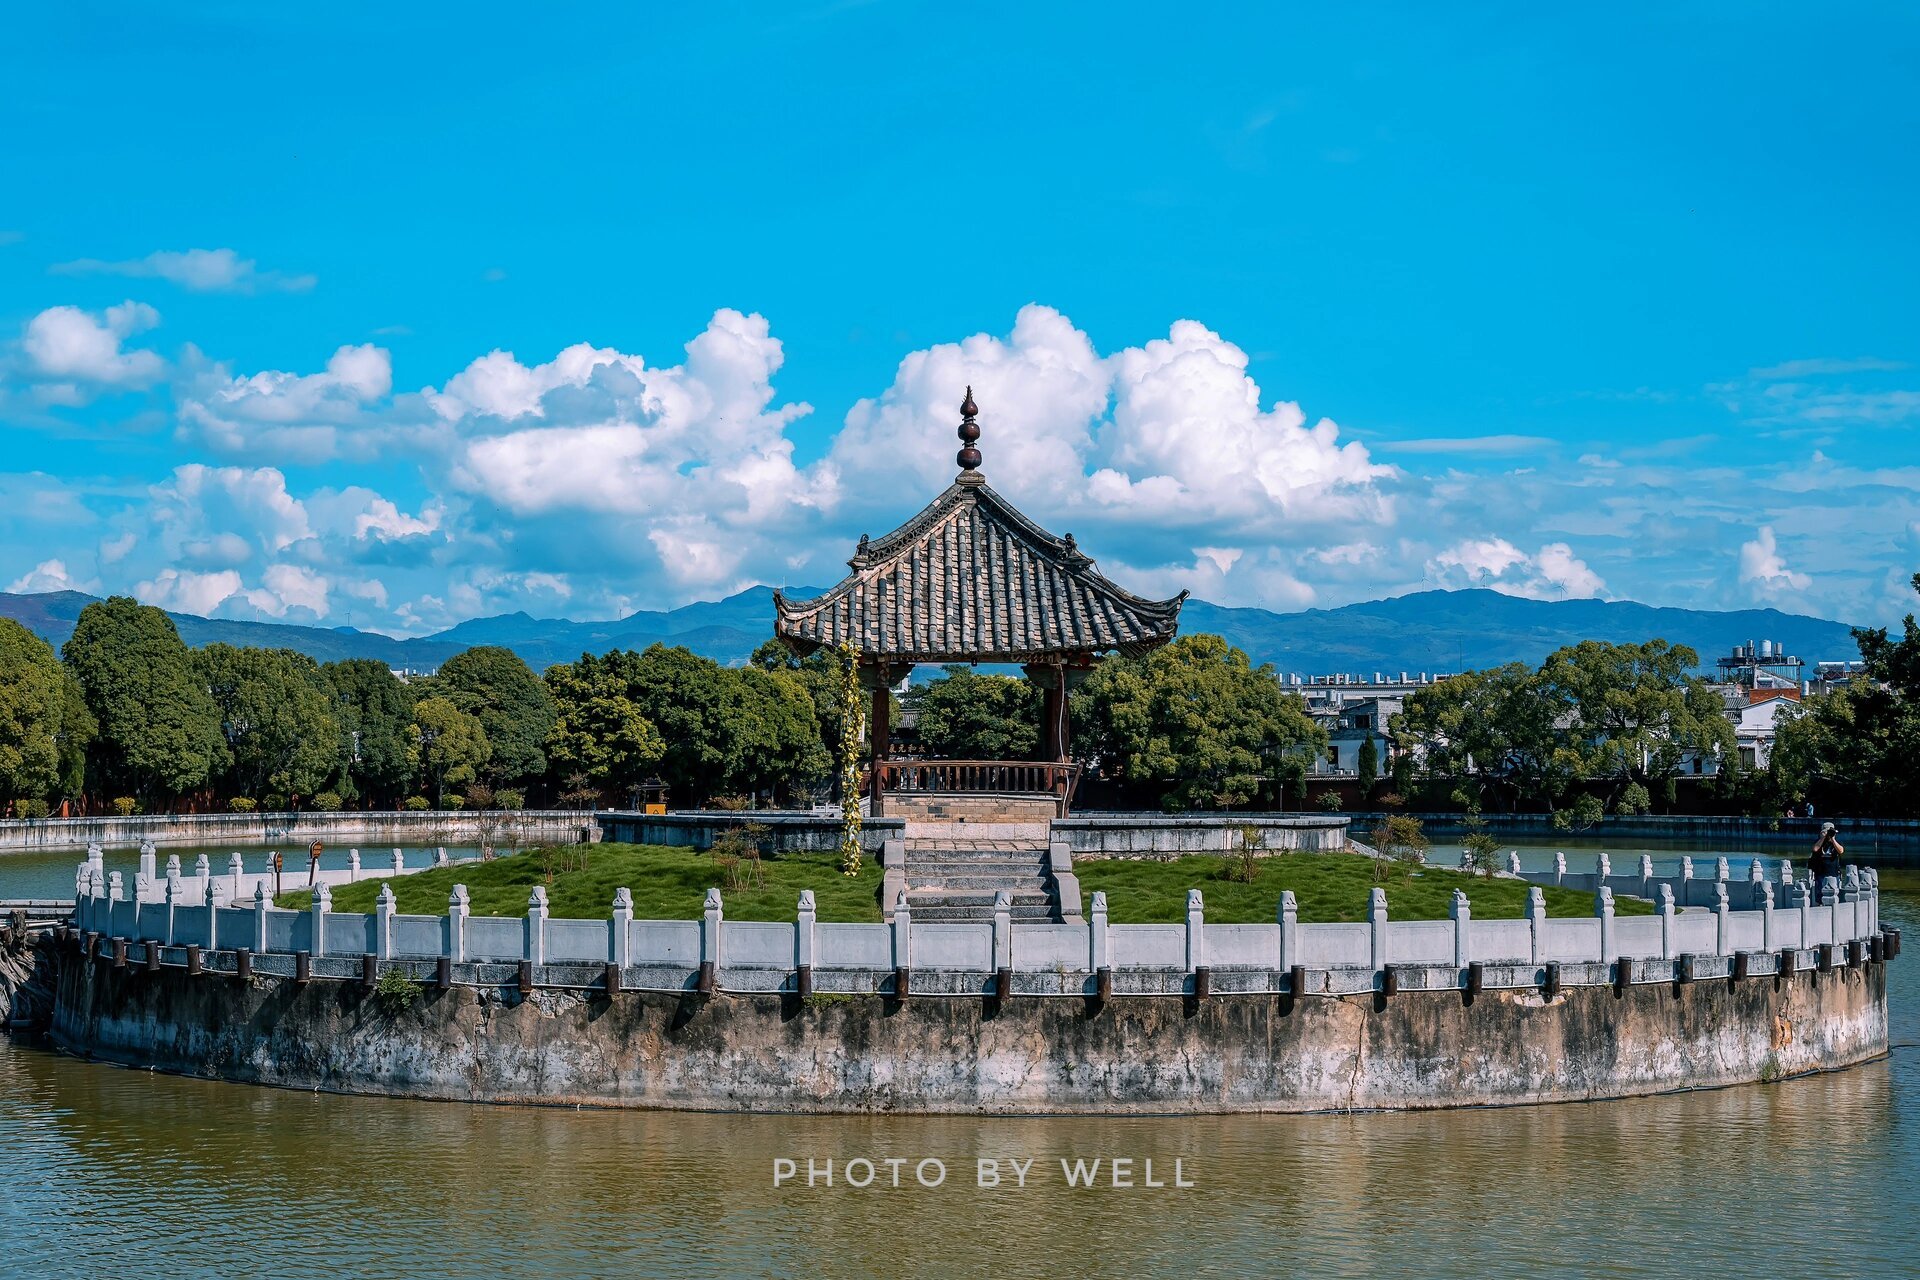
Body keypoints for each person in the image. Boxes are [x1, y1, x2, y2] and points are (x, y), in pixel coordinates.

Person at [1808, 822, 1844, 904]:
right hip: (1820, 873)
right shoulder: (1818, 841)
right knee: (1820, 895)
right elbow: (1815, 849)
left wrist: (1833, 839)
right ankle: (1820, 907)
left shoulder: (1837, 842)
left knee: (1834, 895)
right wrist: (1823, 838)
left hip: (1834, 873)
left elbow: (1841, 850)